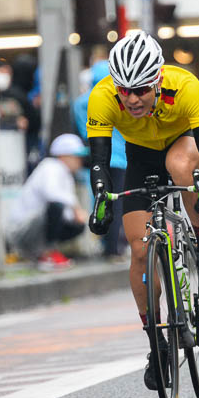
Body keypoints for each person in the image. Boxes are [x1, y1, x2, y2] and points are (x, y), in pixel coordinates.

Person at [86, 31, 199, 391]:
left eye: (142, 89)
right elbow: (99, 161)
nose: (132, 99)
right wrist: (102, 200)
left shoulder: (185, 86)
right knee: (140, 250)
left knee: (179, 163)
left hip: (183, 144)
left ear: (158, 80)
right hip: (140, 157)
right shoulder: (102, 96)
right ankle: (156, 343)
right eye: (124, 90)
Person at [6, 134, 88, 271]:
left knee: (77, 225)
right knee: (56, 207)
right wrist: (76, 208)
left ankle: (44, 252)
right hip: (21, 232)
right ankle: (47, 254)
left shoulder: (65, 174)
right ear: (64, 155)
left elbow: (67, 215)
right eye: (76, 156)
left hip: (35, 228)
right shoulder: (50, 167)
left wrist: (77, 217)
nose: (80, 160)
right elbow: (53, 195)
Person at [74, 59, 128, 259]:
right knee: (118, 204)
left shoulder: (81, 103)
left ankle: (100, 241)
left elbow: (83, 130)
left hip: (97, 157)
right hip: (121, 159)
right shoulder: (120, 99)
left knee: (99, 200)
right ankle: (113, 249)